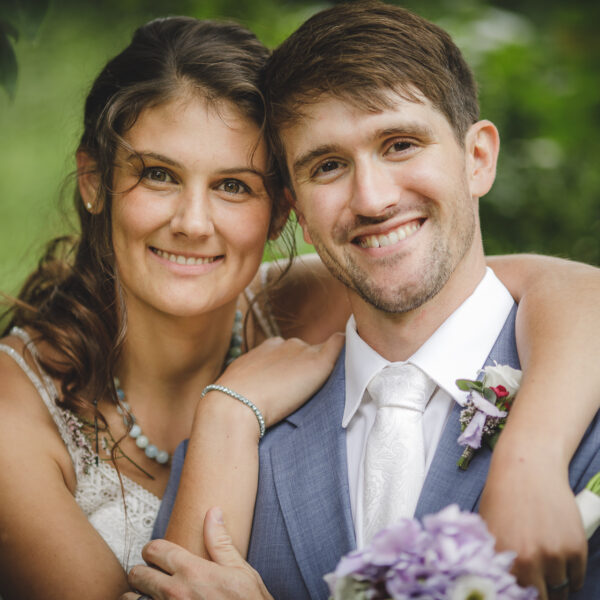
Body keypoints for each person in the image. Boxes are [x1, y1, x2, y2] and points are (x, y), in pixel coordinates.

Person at [133, 3, 600, 600]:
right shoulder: (233, 438)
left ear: (477, 158)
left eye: (401, 144)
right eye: (328, 166)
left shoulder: (575, 400)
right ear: (297, 211)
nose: (373, 200)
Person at [0, 17, 347, 600]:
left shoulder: (297, 304)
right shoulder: (12, 418)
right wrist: (229, 414)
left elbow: (509, 285)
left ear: (281, 212)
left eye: (233, 185)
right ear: (94, 181)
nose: (192, 223)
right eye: (158, 175)